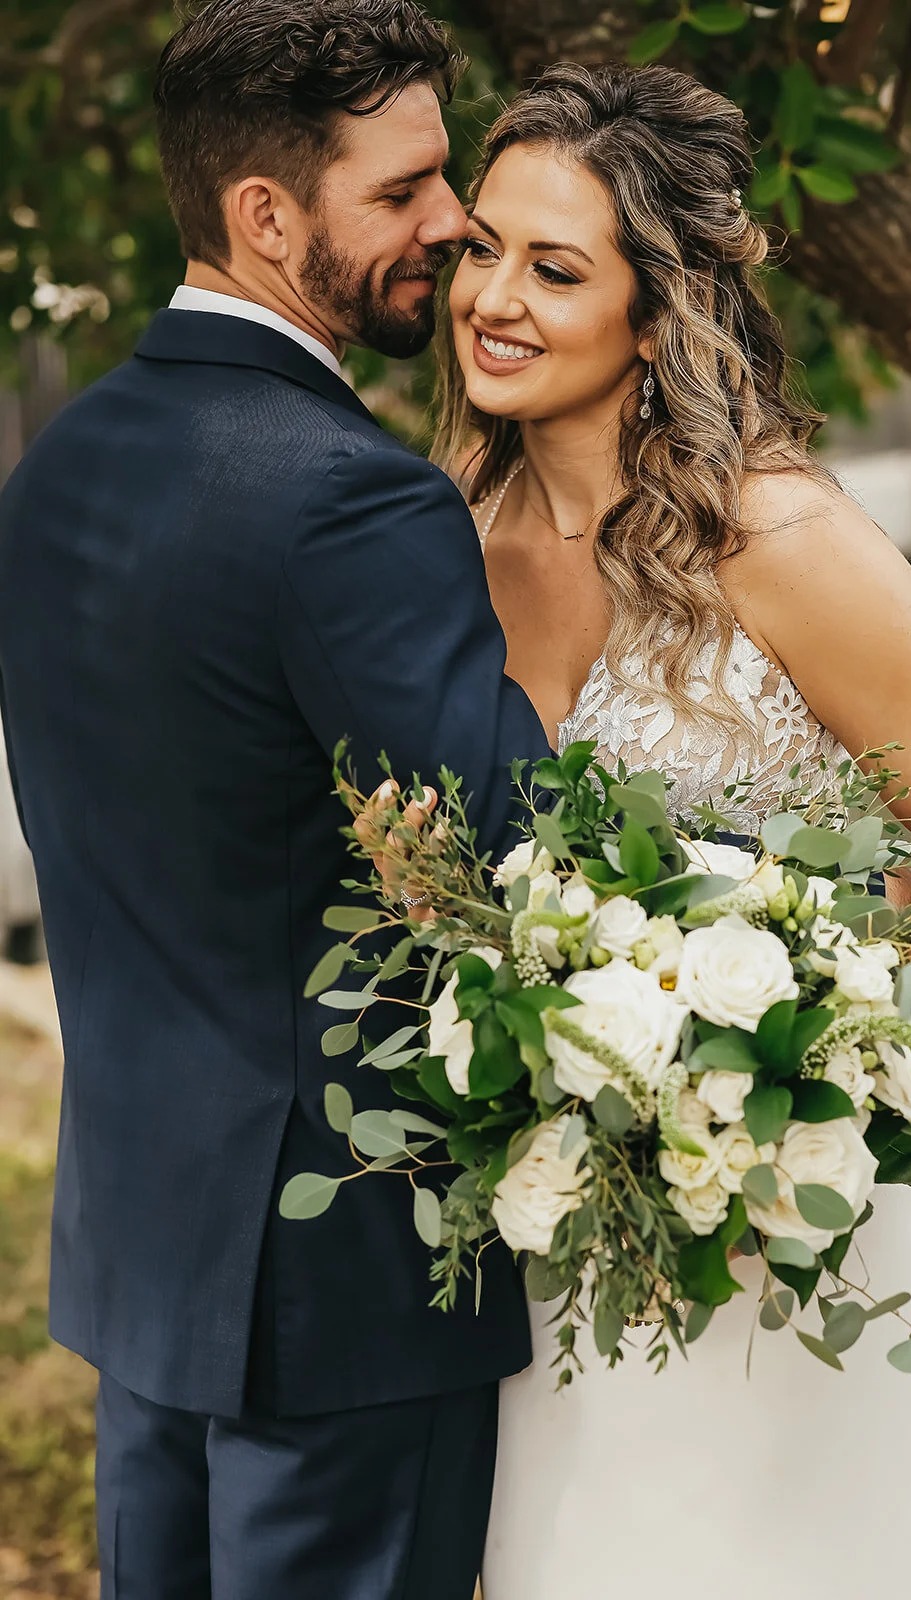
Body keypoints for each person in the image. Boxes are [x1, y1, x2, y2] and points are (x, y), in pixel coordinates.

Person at [436, 61, 911, 1600]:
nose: (491, 299)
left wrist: (830, 1083)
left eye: (553, 267)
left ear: (654, 315)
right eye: (478, 248)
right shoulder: (446, 531)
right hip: (568, 1203)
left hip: (802, 1207)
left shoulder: (778, 541)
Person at [0, 3, 550, 1596]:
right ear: (265, 215)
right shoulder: (352, 501)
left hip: (144, 1266)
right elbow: (508, 854)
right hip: (347, 1297)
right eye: (406, 189)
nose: (450, 228)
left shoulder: (62, 467)